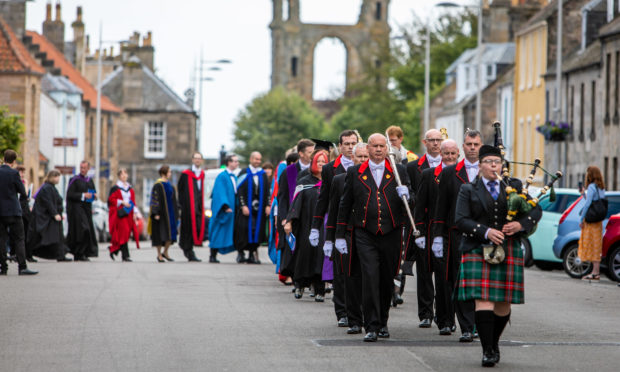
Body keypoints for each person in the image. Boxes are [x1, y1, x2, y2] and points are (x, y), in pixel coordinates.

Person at [455, 145, 541, 367]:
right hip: (477, 247)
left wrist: (520, 224)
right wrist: (485, 231)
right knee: (483, 300)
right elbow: (460, 219)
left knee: (503, 303)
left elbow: (535, 210)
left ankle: (493, 343)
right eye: (488, 161)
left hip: (508, 248)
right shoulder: (468, 189)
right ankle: (487, 350)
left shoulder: (514, 186)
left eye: (497, 161)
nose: (494, 165)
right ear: (480, 165)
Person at [336, 134, 411, 342]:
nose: (378, 149)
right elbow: (345, 204)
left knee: (387, 279)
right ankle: (371, 325)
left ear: (387, 148)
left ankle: (383, 322)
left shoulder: (399, 171)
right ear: (367, 148)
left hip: (392, 231)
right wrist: (340, 234)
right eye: (374, 146)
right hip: (364, 232)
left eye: (382, 146)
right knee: (369, 277)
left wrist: (407, 194)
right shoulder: (355, 172)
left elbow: (410, 202)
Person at [432, 129, 482, 342]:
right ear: (463, 147)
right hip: (456, 235)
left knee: (480, 281)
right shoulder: (449, 173)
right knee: (460, 280)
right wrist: (437, 236)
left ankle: (480, 323)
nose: (472, 148)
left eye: (476, 144)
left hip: (483, 235)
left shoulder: (491, 170)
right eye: (469, 144)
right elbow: (440, 207)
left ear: (480, 146)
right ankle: (467, 327)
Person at [310, 130, 359, 327]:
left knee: (357, 271)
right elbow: (324, 199)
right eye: (346, 143)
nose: (350, 147)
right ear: (339, 146)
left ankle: (357, 308)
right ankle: (342, 312)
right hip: (339, 223)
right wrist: (316, 226)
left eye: (353, 143)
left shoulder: (365, 164)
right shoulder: (331, 169)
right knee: (340, 271)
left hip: (360, 223)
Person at [414, 139, 459, 336]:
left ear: (458, 154)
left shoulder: (463, 175)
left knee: (456, 278)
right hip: (436, 232)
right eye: (446, 153)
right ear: (440, 154)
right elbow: (420, 206)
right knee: (441, 278)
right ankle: (444, 320)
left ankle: (462, 319)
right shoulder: (429, 175)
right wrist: (421, 232)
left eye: (453, 154)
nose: (449, 157)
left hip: (459, 232)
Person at [325, 142, 369, 335]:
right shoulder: (340, 180)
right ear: (353, 158)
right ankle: (350, 316)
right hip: (348, 233)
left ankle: (370, 316)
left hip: (370, 234)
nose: (363, 160)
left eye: (366, 157)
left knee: (370, 278)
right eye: (359, 157)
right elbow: (334, 210)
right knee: (348, 277)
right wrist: (330, 237)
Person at [406, 128, 443, 326]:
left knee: (445, 271)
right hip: (424, 223)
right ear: (425, 142)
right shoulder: (413, 167)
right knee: (424, 271)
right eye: (432, 140)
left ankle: (444, 312)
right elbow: (411, 194)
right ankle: (426, 313)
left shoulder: (451, 165)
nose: (436, 143)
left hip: (445, 224)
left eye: (439, 140)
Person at [284, 149, 329, 301]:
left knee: (320, 256)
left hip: (323, 224)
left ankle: (320, 289)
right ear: (313, 163)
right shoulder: (304, 181)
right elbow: (295, 203)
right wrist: (289, 221)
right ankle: (299, 285)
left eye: (324, 161)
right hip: (305, 223)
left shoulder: (330, 181)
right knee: (304, 254)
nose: (321, 164)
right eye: (319, 161)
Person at [277, 139, 315, 272]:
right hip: (292, 216)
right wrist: (284, 218)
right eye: (310, 152)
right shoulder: (289, 171)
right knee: (293, 248)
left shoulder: (317, 170)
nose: (313, 155)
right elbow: (281, 197)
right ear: (301, 153)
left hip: (310, 215)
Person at [0, 150, 38, 275]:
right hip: (14, 211)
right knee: (19, 238)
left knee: (1, 239)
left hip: (1, 212)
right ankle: (22, 267)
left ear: (4, 158)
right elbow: (22, 192)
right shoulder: (14, 173)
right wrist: (24, 185)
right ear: (14, 161)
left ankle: (3, 267)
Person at [235, 152, 271, 264]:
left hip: (258, 210)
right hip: (246, 208)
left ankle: (252, 254)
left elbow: (267, 192)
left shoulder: (262, 174)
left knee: (257, 230)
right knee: (243, 230)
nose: (258, 161)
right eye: (256, 159)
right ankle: (241, 254)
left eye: (259, 159)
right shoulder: (243, 172)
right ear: (250, 159)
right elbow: (239, 191)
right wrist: (243, 205)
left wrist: (268, 205)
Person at [29, 170, 71, 261]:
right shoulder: (47, 188)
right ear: (52, 177)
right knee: (40, 236)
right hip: (45, 217)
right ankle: (28, 254)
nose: (58, 179)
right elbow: (48, 202)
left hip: (51, 217)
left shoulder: (51, 187)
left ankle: (61, 255)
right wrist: (54, 214)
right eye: (57, 177)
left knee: (58, 236)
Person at [208, 154, 239, 263]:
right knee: (217, 232)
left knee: (225, 233)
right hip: (223, 211)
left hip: (232, 210)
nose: (237, 163)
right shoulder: (222, 176)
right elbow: (219, 193)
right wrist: (225, 206)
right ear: (229, 163)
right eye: (235, 161)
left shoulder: (234, 176)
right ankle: (212, 255)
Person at [66, 160, 98, 261]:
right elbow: (70, 195)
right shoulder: (74, 180)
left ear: (88, 168)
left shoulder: (90, 180)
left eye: (84, 168)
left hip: (86, 210)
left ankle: (82, 253)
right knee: (83, 230)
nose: (82, 170)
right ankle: (78, 253)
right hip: (76, 209)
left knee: (87, 231)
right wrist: (83, 195)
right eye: (81, 168)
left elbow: (92, 195)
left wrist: (94, 196)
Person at [578, 166, 606, 281]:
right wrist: (584, 194)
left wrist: (581, 219)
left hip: (591, 222)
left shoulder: (591, 186)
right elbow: (596, 201)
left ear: (590, 175)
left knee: (591, 245)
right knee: (596, 246)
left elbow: (588, 204)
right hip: (598, 221)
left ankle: (595, 273)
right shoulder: (601, 187)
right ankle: (596, 272)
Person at [178, 152, 206, 262]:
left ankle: (189, 248)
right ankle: (188, 250)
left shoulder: (202, 174)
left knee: (198, 227)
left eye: (200, 158)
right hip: (188, 207)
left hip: (198, 207)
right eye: (196, 158)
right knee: (188, 229)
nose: (198, 160)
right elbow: (180, 190)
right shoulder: (186, 174)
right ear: (192, 160)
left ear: (202, 160)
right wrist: (182, 205)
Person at [107, 168, 140, 262]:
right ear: (119, 176)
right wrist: (122, 202)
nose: (124, 176)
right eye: (122, 174)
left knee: (126, 234)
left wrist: (135, 212)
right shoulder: (116, 188)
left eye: (125, 174)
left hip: (128, 214)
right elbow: (111, 200)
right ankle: (125, 255)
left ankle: (114, 249)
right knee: (124, 233)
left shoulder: (130, 188)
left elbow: (133, 201)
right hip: (120, 214)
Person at [149, 165, 178, 262]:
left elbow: (173, 199)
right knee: (160, 235)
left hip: (170, 214)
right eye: (169, 172)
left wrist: (177, 212)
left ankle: (165, 252)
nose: (170, 174)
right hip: (161, 214)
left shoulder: (170, 185)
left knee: (170, 236)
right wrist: (155, 212)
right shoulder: (158, 185)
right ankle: (159, 254)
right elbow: (154, 199)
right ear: (163, 173)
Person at [15, 165, 35, 262]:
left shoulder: (23, 182)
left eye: (23, 172)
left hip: (25, 211)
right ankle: (16, 255)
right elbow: (24, 194)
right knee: (18, 235)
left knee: (27, 233)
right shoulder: (17, 182)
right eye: (21, 172)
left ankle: (28, 254)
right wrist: (26, 185)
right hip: (18, 211)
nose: (22, 175)